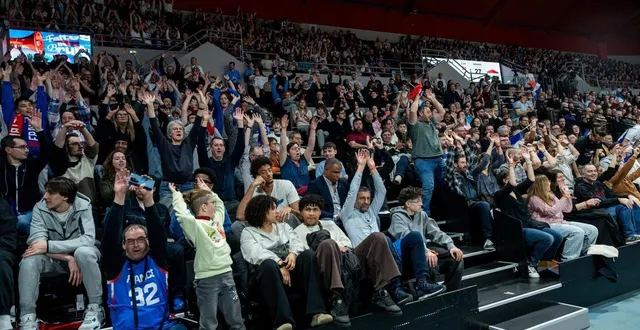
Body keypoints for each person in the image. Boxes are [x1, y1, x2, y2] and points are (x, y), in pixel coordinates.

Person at [342, 150, 445, 301]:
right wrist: (360, 167)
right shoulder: (347, 213)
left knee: (414, 237)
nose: (365, 201)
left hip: (384, 248)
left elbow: (382, 191)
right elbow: (352, 192)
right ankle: (395, 288)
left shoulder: (371, 211)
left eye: (367, 198)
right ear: (356, 200)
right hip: (362, 254)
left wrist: (373, 168)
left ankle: (422, 282)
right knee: (380, 237)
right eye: (361, 198)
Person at [294, 194, 408, 325]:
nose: (311, 213)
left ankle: (382, 290)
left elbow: (347, 243)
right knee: (328, 244)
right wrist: (335, 247)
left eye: (315, 210)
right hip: (325, 268)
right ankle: (337, 298)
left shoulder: (329, 224)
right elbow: (305, 259)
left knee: (378, 237)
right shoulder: (297, 232)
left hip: (348, 260)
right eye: (308, 210)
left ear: (320, 212)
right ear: (301, 212)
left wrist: (342, 247)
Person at [103, 169, 186, 330]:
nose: (135, 244)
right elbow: (110, 237)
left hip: (161, 326)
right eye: (130, 241)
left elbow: (158, 235)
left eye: (140, 240)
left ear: (148, 242)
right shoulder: (115, 267)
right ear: (123, 245)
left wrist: (148, 199)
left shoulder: (158, 260)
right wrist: (119, 196)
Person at [19, 177, 104, 330]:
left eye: (51, 193)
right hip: (55, 261)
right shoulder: (40, 208)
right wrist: (67, 257)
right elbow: (37, 244)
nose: (45, 196)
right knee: (29, 260)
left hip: (83, 258)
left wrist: (49, 246)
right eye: (46, 192)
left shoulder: (83, 205)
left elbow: (88, 239)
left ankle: (95, 309)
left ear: (65, 196)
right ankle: (27, 318)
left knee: (83, 252)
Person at [240, 195, 333, 330]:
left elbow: (297, 242)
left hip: (289, 273)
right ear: (261, 211)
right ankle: (282, 322)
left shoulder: (283, 227)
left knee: (308, 255)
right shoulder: (248, 232)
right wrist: (279, 263)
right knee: (269, 265)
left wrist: (293, 254)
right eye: (272, 209)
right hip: (264, 278)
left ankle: (317, 313)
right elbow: (254, 253)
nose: (277, 211)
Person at [169, 180, 245, 330]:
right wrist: (176, 195)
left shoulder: (215, 222)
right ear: (204, 206)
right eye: (211, 202)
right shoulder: (195, 226)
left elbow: (221, 205)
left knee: (236, 320)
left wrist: (209, 192)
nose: (214, 204)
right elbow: (183, 216)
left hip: (227, 274)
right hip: (207, 280)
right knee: (209, 324)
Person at [493, 151, 565, 277]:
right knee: (547, 238)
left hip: (529, 223)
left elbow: (531, 179)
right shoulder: (500, 195)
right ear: (504, 180)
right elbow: (512, 184)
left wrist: (528, 161)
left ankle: (544, 264)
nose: (515, 178)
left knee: (557, 236)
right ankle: (531, 263)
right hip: (517, 227)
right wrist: (510, 165)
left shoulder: (517, 191)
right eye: (512, 176)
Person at [390, 187, 465, 290]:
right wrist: (426, 251)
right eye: (418, 201)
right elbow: (405, 235)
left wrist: (451, 246)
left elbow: (436, 232)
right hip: (408, 255)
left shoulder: (422, 214)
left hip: (425, 249)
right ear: (408, 204)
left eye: (421, 200)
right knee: (429, 259)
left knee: (456, 258)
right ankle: (428, 291)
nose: (421, 204)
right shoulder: (396, 217)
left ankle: (449, 291)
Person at [0, 109, 49, 235]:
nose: (27, 150)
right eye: (22, 147)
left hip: (31, 211)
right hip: (7, 212)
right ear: (8, 150)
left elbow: (47, 154)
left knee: (23, 223)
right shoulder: (2, 166)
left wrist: (39, 130)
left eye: (26, 147)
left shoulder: (32, 165)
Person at [527, 175, 598, 261]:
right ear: (541, 185)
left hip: (560, 222)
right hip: (547, 224)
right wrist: (564, 197)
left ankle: (583, 257)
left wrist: (567, 195)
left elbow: (567, 209)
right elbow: (551, 211)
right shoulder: (534, 198)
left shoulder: (551, 195)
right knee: (577, 232)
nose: (549, 183)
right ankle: (568, 261)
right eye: (547, 182)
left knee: (592, 230)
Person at [574, 164, 640, 243]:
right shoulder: (580, 187)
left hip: (608, 207)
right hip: (596, 211)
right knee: (623, 207)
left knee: (633, 203)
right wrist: (618, 200)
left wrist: (628, 196)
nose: (593, 173)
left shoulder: (598, 183)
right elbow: (597, 202)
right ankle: (629, 236)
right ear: (583, 175)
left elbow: (612, 195)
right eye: (589, 171)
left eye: (595, 171)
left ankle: (637, 233)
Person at [235, 156, 301, 235]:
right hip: (263, 226)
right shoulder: (254, 192)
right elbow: (240, 216)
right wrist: (252, 186)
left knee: (290, 217)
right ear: (257, 177)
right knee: (237, 226)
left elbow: (300, 215)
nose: (269, 174)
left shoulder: (286, 184)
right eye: (263, 172)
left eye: (269, 170)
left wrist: (290, 209)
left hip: (283, 223)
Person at [407, 89, 446, 214]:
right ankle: (424, 213)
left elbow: (442, 111)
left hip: (439, 159)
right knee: (428, 187)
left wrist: (432, 98)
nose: (430, 113)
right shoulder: (415, 124)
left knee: (441, 182)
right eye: (428, 111)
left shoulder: (432, 123)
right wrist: (417, 98)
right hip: (423, 161)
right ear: (421, 113)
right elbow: (412, 111)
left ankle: (436, 203)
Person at [279, 115, 317, 195]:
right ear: (288, 153)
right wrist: (283, 128)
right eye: (293, 149)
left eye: (298, 149)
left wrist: (313, 129)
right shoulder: (285, 161)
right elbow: (282, 147)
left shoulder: (303, 160)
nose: (297, 150)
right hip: (291, 193)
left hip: (307, 193)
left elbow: (310, 147)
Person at [307, 158, 349, 222]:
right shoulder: (315, 185)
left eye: (339, 172)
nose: (338, 175)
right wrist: (335, 217)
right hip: (328, 220)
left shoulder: (343, 183)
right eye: (335, 172)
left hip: (346, 219)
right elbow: (314, 209)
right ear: (326, 170)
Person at [0, 198, 16, 330]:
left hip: (2, 248)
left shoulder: (1, 204)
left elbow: (9, 237)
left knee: (1, 261)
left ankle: (3, 316)